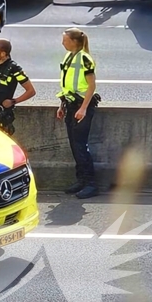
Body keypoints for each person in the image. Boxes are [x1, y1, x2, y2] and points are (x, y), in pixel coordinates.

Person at [57, 27, 100, 199]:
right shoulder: (69, 56)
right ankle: (81, 180)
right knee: (75, 145)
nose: (62, 42)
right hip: (70, 104)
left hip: (82, 106)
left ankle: (90, 183)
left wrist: (83, 108)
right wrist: (61, 105)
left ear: (74, 42)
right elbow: (67, 85)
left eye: (65, 40)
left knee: (81, 146)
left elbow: (91, 86)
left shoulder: (85, 59)